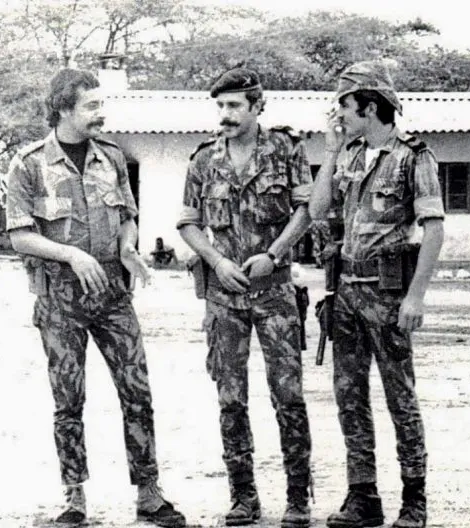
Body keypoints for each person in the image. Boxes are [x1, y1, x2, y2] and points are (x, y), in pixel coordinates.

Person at [5, 68, 186, 528]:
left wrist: (128, 248)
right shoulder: (28, 164)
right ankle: (74, 497)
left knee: (137, 391)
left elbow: (127, 217)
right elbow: (20, 236)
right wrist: (71, 254)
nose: (100, 113)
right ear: (63, 109)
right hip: (59, 298)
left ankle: (149, 493)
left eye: (100, 104)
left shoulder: (112, 157)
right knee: (68, 399)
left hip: (112, 293)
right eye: (91, 106)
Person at [308, 61, 445, 528]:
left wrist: (416, 297)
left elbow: (433, 229)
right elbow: (318, 209)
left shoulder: (412, 157)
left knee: (399, 397)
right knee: (349, 397)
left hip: (387, 295)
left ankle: (414, 499)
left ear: (369, 106)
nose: (338, 114)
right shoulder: (348, 154)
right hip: (345, 293)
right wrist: (330, 151)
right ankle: (362, 496)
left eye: (344, 106)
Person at [177, 67, 314, 528]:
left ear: (257, 106)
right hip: (224, 296)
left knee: (288, 396)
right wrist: (217, 261)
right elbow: (188, 223)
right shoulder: (203, 159)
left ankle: (298, 498)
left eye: (234, 105)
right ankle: (243, 497)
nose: (226, 114)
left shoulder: (287, 150)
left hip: (274, 293)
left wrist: (274, 255)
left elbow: (306, 210)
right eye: (220, 105)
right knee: (230, 399)